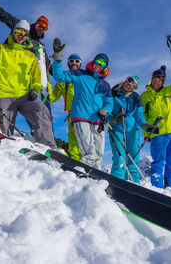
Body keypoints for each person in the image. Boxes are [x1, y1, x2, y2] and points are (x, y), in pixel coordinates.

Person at [0, 0, 56, 148]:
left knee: (42, 111)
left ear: (27, 35)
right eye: (18, 32)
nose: (21, 35)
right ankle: (5, 147)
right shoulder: (1, 49)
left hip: (25, 95)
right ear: (13, 32)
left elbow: (36, 76)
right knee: (3, 127)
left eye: (24, 33)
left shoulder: (31, 56)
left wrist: (35, 89)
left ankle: (49, 149)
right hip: (4, 94)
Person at [0, 0, 51, 108]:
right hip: (5, 64)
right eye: (39, 25)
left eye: (44, 28)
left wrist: (54, 61)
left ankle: (34, 125)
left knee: (33, 104)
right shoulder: (21, 26)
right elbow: (3, 14)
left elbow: (46, 66)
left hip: (22, 79)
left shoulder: (40, 46)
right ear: (35, 23)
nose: (40, 29)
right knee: (0, 94)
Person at [52, 38, 113, 168]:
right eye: (97, 61)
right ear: (93, 61)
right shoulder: (80, 74)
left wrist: (105, 110)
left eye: (102, 63)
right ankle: (87, 174)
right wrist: (57, 58)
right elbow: (59, 76)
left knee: (99, 152)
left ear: (105, 67)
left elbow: (109, 102)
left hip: (98, 120)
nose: (98, 64)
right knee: (88, 151)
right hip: (81, 117)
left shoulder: (105, 85)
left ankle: (96, 176)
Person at [140, 55, 171, 189]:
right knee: (158, 163)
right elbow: (142, 115)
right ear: (152, 79)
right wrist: (146, 131)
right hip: (157, 133)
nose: (156, 81)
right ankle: (157, 189)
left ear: (163, 81)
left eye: (159, 79)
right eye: (155, 79)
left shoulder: (169, 91)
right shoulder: (144, 96)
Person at [108, 76, 159, 184]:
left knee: (134, 160)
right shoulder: (113, 93)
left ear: (134, 88)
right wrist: (113, 119)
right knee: (119, 158)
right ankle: (116, 184)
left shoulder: (135, 97)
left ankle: (133, 185)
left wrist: (146, 125)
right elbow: (107, 109)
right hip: (117, 130)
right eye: (129, 81)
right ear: (126, 80)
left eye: (134, 85)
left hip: (132, 131)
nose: (130, 85)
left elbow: (138, 115)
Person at [48, 53, 82, 161]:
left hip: (86, 113)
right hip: (72, 114)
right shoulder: (63, 81)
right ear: (68, 63)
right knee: (73, 141)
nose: (74, 63)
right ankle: (77, 163)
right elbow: (52, 98)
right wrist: (47, 81)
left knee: (87, 140)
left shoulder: (85, 78)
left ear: (80, 64)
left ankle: (90, 162)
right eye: (71, 61)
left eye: (77, 61)